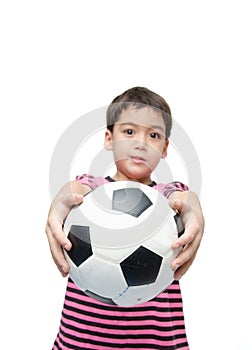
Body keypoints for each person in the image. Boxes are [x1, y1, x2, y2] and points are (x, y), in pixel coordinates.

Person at [46, 87, 204, 349]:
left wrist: (193, 208)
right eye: (129, 132)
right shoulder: (92, 194)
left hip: (155, 342)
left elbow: (186, 201)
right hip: (82, 342)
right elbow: (74, 191)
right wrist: (62, 199)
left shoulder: (167, 200)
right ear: (109, 139)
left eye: (153, 135)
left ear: (164, 148)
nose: (140, 143)